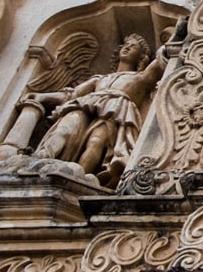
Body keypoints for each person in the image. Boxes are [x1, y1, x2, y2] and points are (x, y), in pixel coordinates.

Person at [31, 34, 165, 182]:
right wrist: (43, 97)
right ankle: (39, 162)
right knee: (63, 130)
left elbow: (159, 64)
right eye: (125, 45)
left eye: (133, 47)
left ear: (142, 58)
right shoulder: (100, 79)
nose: (127, 47)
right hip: (85, 106)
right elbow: (71, 95)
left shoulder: (139, 79)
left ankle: (78, 177)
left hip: (114, 113)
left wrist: (175, 38)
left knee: (96, 142)